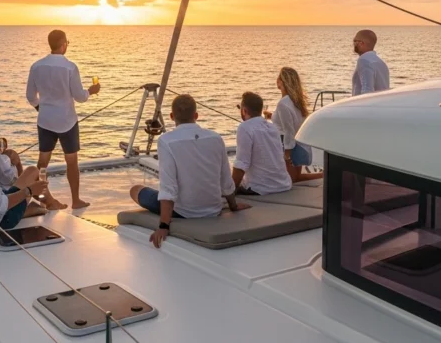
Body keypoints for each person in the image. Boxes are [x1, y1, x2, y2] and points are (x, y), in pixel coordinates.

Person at [129, 94, 250, 248]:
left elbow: (168, 187)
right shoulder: (215, 138)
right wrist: (233, 206)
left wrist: (164, 226)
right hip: (213, 209)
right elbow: (225, 180)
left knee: (135, 190)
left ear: (172, 116)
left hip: (184, 212)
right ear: (196, 115)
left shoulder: (167, 141)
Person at [25, 29, 100, 209]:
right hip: (67, 121)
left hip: (45, 120)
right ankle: (76, 200)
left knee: (43, 162)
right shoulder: (70, 67)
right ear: (63, 44)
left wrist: (40, 108)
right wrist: (91, 90)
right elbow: (79, 97)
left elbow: (30, 96)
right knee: (71, 161)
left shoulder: (36, 66)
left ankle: (43, 197)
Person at [0, 103, 66, 211]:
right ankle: (49, 203)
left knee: (30, 176)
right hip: (2, 198)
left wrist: (3, 157)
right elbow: (8, 179)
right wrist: (16, 164)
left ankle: (47, 202)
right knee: (34, 171)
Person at [233, 92, 292, 196]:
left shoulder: (244, 127)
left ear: (244, 110)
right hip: (284, 184)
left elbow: (241, 164)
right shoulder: (273, 128)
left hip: (259, 188)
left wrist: (230, 191)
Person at [269, 67, 319, 183]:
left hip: (289, 147)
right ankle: (324, 175)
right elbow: (292, 121)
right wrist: (271, 116)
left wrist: (286, 156)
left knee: (292, 179)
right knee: (295, 178)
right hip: (300, 145)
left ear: (282, 82)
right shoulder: (296, 100)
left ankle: (325, 175)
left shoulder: (283, 104)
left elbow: (288, 132)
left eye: (279, 78)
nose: (276, 80)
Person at [352, 29, 390, 96]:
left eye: (355, 41)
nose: (353, 44)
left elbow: (367, 91)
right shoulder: (381, 63)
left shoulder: (364, 60)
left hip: (366, 105)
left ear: (361, 43)